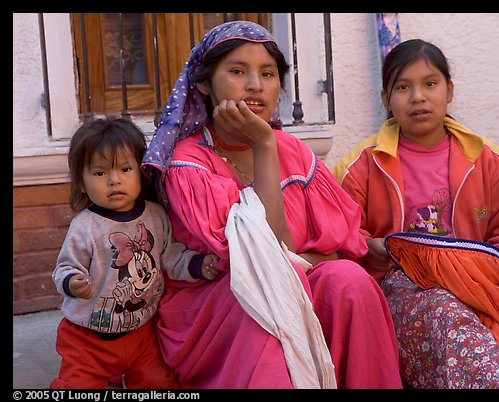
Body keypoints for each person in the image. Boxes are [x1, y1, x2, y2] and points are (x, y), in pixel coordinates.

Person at [141, 20, 402, 389]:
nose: (255, 85)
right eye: (236, 71)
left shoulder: (295, 152)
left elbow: (342, 252)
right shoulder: (188, 163)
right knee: (266, 299)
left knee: (350, 282)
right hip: (219, 302)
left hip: (295, 282)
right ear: (203, 83)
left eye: (268, 73)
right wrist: (263, 146)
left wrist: (320, 260)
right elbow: (264, 260)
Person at [332, 38, 499, 389]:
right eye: (403, 87)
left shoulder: (485, 159)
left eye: (430, 83)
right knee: (446, 311)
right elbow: (338, 237)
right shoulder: (361, 165)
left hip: (481, 284)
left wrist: (482, 267)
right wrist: (375, 250)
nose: (418, 97)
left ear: (449, 90)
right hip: (403, 292)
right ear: (385, 99)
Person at [51, 116, 220, 389]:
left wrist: (199, 265)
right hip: (87, 340)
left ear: (140, 172)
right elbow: (65, 268)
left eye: (125, 169)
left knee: (159, 383)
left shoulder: (155, 216)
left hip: (141, 334)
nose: (114, 180)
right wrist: (73, 283)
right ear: (81, 183)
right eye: (99, 173)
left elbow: (171, 257)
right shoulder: (85, 226)